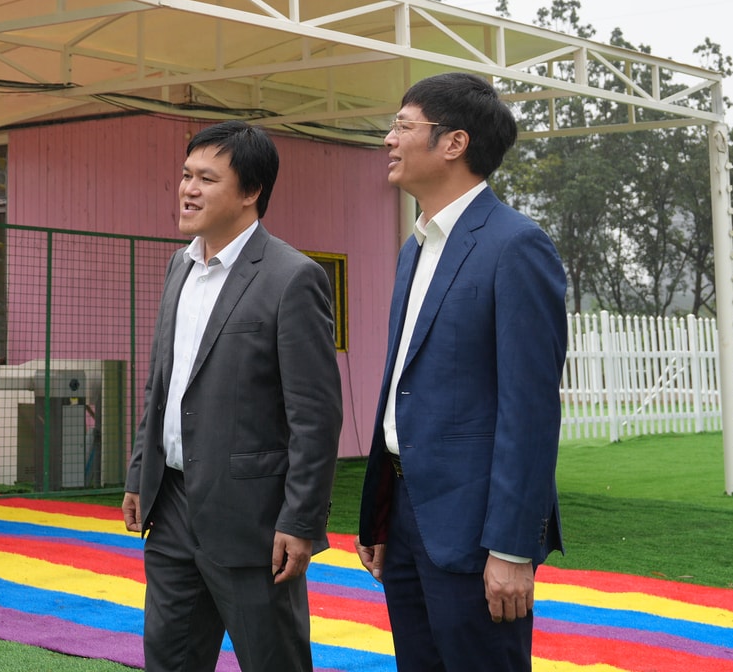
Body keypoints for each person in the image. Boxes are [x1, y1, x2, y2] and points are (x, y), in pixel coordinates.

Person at [355, 73, 568, 672]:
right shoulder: (415, 247)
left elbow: (530, 411)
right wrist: (380, 514)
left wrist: (512, 548)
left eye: (402, 126)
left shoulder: (516, 245)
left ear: (453, 143)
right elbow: (405, 388)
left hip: (475, 531)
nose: (389, 139)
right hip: (406, 516)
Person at [121, 120, 343, 672]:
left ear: (251, 192)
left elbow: (315, 417)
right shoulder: (179, 266)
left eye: (207, 179)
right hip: (171, 506)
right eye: (186, 175)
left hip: (253, 520)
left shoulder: (293, 277)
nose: (188, 189)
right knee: (169, 659)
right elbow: (162, 383)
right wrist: (140, 472)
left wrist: (301, 520)